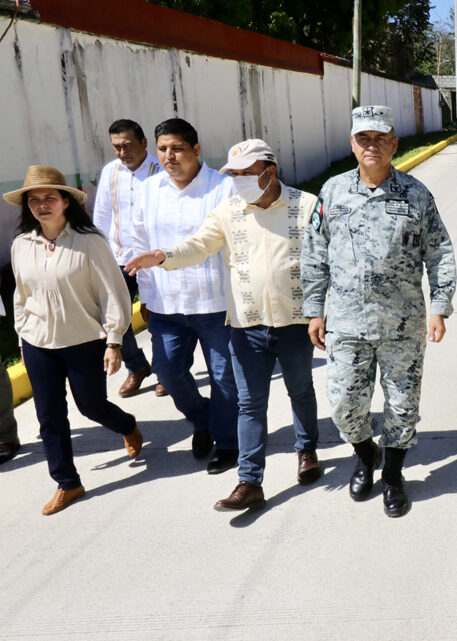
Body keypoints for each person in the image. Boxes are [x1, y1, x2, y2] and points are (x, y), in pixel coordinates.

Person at [128, 139, 323, 511]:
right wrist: (164, 256)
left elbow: (325, 259)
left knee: (300, 390)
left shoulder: (307, 205)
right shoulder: (228, 211)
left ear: (270, 171)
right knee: (250, 404)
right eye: (233, 175)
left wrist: (320, 312)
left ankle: (307, 451)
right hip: (247, 325)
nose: (238, 182)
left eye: (246, 174)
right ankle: (250, 481)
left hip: (295, 322)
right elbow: (199, 245)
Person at [302, 105, 456, 517]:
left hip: (402, 324)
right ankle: (365, 452)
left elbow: (439, 252)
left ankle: (392, 475)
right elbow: (315, 254)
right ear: (352, 143)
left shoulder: (416, 194)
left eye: (380, 138)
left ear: (394, 143)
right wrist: (314, 308)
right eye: (363, 138)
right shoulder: (332, 192)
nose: (372, 146)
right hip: (347, 323)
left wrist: (440, 306)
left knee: (403, 406)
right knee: (344, 406)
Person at [4, 165, 142, 515]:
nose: (41, 205)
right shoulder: (21, 244)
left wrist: (113, 341)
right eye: (34, 200)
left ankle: (126, 426)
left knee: (91, 407)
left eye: (49, 197)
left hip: (84, 341)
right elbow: (21, 295)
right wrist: (23, 333)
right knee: (49, 417)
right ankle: (68, 482)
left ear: (66, 201)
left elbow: (113, 294)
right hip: (38, 344)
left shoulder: (90, 242)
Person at [131, 117, 239, 474]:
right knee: (168, 371)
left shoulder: (224, 188)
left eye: (176, 148)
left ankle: (226, 442)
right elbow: (140, 245)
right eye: (162, 149)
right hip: (167, 304)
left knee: (224, 377)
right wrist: (146, 296)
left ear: (196, 149)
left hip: (216, 303)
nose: (169, 156)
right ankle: (203, 419)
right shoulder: (148, 190)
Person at [92, 119, 161, 397]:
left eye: (127, 145)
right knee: (114, 316)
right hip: (120, 259)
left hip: (156, 261)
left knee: (159, 317)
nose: (122, 152)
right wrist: (99, 253)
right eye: (116, 147)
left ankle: (168, 370)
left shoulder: (161, 171)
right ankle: (138, 366)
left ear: (144, 143)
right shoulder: (111, 171)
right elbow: (102, 215)